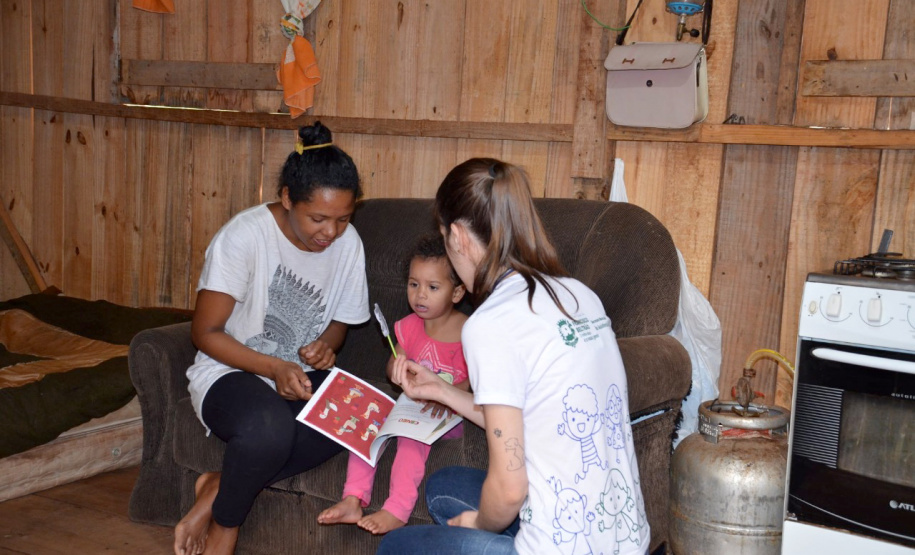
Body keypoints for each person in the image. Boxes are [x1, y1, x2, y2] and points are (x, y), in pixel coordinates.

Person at [377, 158, 651, 555]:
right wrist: (442, 390)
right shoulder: (579, 295)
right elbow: (529, 416)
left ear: (457, 236)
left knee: (395, 548)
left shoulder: (491, 323)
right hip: (624, 540)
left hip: (559, 547)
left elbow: (508, 490)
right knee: (444, 487)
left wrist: (477, 523)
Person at [173, 122, 370, 555]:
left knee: (359, 417)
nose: (330, 233)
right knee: (269, 431)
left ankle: (221, 485)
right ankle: (225, 528)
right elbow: (204, 333)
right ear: (286, 198)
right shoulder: (244, 236)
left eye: (342, 219)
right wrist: (273, 367)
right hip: (229, 371)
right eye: (317, 218)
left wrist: (328, 344)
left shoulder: (348, 244)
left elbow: (341, 320)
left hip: (294, 375)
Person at [317, 233, 470, 535]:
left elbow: (471, 387)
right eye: (414, 284)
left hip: (446, 416)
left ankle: (397, 509)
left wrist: (443, 394)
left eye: (432, 287)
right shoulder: (409, 325)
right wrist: (396, 369)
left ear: (457, 292)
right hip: (411, 408)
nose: (420, 295)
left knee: (409, 440)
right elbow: (392, 365)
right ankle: (353, 498)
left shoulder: (468, 332)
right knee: (366, 422)